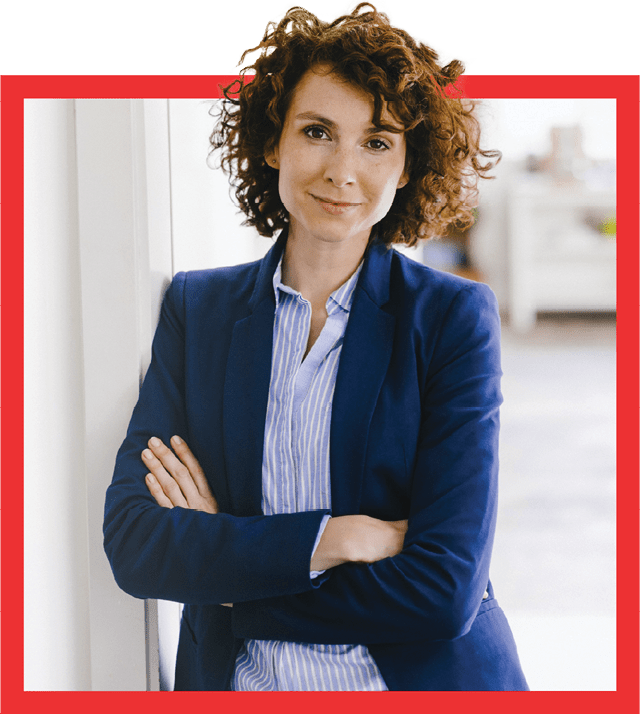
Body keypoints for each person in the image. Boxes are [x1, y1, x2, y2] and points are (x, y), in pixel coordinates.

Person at [103, 1, 529, 691]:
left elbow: (443, 589)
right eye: (318, 131)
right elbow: (136, 544)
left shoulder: (451, 317)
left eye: (378, 141)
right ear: (274, 141)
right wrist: (332, 540)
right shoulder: (197, 310)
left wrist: (231, 579)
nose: (343, 169)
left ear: (406, 165)